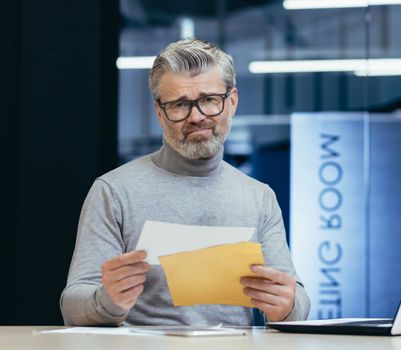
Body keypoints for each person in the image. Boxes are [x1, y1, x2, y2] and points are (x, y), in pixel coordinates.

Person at [60, 38, 310, 326]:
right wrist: (107, 301)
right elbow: (72, 305)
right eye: (179, 104)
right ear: (158, 111)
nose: (196, 116)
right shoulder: (114, 191)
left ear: (232, 101)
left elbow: (298, 302)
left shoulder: (259, 197)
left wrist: (287, 305)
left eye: (209, 100)